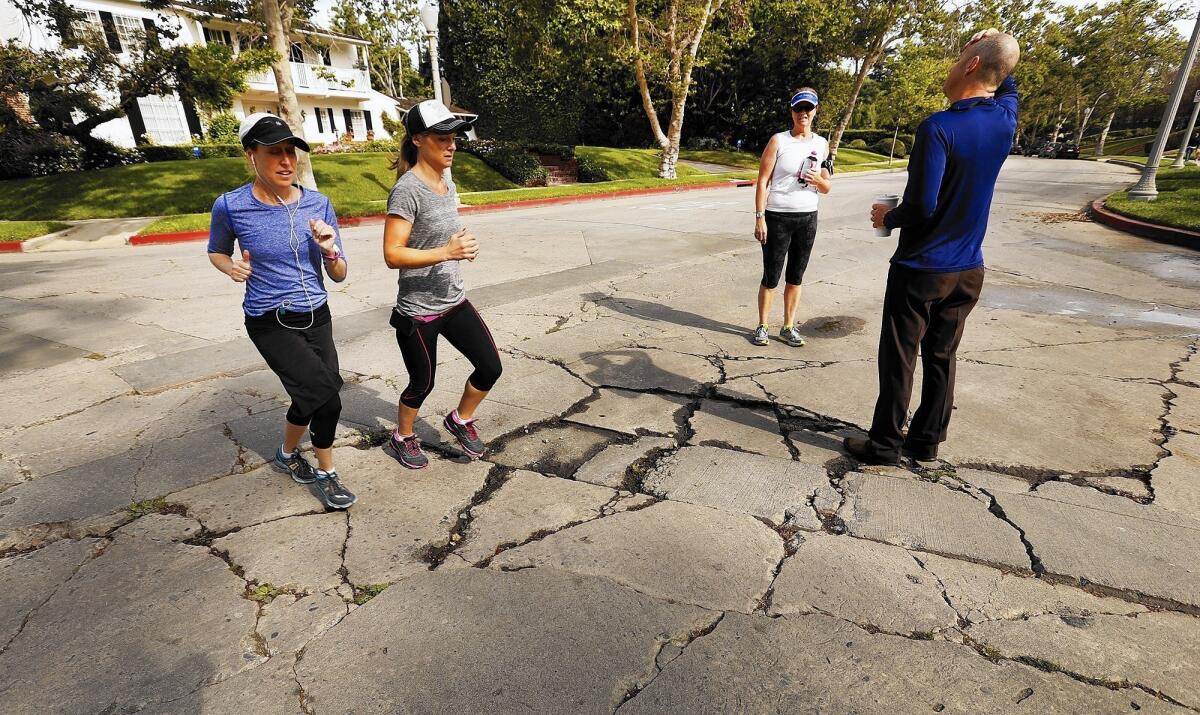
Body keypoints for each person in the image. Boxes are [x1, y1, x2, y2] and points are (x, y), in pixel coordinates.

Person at [844, 28, 1020, 465]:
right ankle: (925, 442)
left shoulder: (939, 127)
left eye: (960, 55)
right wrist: (998, 41)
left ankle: (884, 444)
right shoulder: (1004, 120)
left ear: (972, 65)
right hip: (968, 269)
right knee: (942, 355)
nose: (952, 64)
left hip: (922, 268)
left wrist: (889, 217)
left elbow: (922, 204)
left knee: (899, 357)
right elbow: (1008, 76)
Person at [207, 113, 356, 509]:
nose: (286, 161)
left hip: (316, 314)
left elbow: (338, 274)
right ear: (250, 155)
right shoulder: (231, 206)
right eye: (275, 152)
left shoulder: (318, 204)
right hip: (269, 319)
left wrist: (330, 250)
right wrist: (231, 267)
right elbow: (216, 250)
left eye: (290, 152)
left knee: (310, 393)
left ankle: (286, 455)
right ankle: (327, 472)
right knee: (327, 394)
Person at [380, 100, 503, 469]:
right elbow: (392, 254)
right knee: (422, 384)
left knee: (490, 367)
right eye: (441, 138)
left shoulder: (446, 180)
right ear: (418, 139)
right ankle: (403, 436)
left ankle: (460, 419)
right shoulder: (407, 191)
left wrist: (462, 243)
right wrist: (446, 252)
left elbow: (445, 232)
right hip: (419, 313)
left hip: (453, 301)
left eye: (454, 138)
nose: (451, 145)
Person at [750, 87, 833, 347]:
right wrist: (760, 217)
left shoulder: (821, 144)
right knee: (771, 275)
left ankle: (788, 326)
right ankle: (763, 325)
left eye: (808, 109)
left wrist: (818, 179)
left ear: (815, 110)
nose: (803, 113)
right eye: (798, 109)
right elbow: (762, 181)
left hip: (807, 218)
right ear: (792, 112)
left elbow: (827, 186)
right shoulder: (779, 140)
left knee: (796, 275)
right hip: (777, 217)